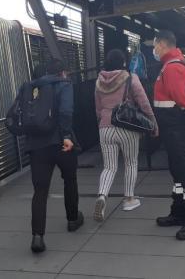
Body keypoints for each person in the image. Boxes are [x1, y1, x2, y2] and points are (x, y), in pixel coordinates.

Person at [25, 59, 83, 253]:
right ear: (63, 73)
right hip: (61, 143)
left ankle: (37, 237)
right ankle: (73, 219)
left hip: (37, 145)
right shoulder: (64, 85)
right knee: (70, 179)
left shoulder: (32, 87)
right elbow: (66, 111)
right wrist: (66, 135)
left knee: (40, 191)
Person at [93, 49, 157, 221]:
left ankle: (101, 196)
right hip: (126, 125)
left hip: (105, 127)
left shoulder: (99, 81)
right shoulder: (130, 77)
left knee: (109, 167)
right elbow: (143, 101)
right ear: (123, 62)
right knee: (130, 162)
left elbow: (98, 108)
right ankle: (129, 199)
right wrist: (152, 121)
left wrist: (103, 120)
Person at [152, 30, 185, 240]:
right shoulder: (170, 65)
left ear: (163, 45)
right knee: (178, 174)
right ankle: (179, 213)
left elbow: (182, 99)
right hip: (172, 129)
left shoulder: (172, 68)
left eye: (155, 46)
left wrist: (184, 121)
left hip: (177, 129)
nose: (154, 50)